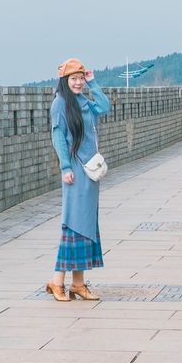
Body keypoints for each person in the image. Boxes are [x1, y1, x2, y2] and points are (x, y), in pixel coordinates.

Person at [46, 57, 111, 302]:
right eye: (73, 79)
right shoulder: (60, 104)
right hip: (74, 170)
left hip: (90, 172)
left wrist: (94, 84)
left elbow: (105, 107)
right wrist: (65, 167)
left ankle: (78, 284)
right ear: (64, 80)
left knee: (85, 225)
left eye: (80, 78)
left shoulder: (85, 101)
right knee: (73, 224)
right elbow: (58, 137)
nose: (77, 83)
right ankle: (57, 282)